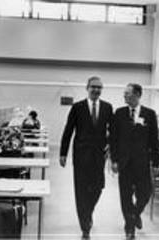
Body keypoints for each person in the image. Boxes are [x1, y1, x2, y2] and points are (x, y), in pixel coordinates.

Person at [59, 76, 113, 239]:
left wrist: (111, 144)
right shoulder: (77, 107)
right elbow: (68, 130)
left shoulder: (107, 107)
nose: (96, 90)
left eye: (99, 87)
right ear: (87, 88)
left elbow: (113, 130)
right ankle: (85, 227)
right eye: (93, 87)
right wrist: (63, 153)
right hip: (81, 156)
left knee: (98, 188)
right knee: (81, 191)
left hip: (99, 155)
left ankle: (88, 211)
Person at [110, 83, 159, 240]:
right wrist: (114, 160)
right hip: (124, 163)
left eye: (128, 93)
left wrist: (156, 163)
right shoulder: (119, 113)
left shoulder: (149, 114)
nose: (124, 96)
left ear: (137, 95)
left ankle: (135, 214)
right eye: (124, 94)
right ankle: (129, 228)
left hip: (142, 163)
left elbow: (154, 140)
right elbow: (113, 139)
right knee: (125, 197)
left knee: (145, 193)